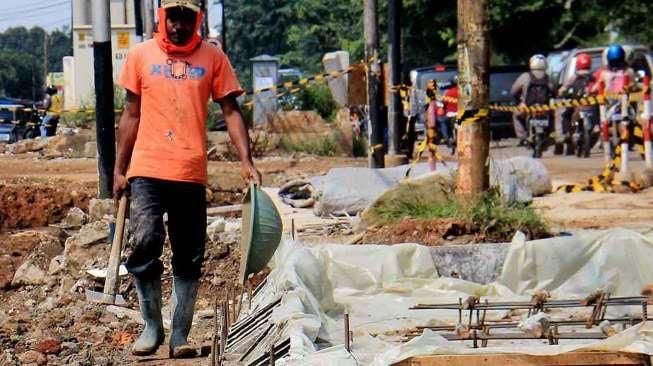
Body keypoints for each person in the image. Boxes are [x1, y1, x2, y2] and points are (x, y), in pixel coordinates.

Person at [113, 0, 261, 359]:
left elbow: (231, 110)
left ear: (198, 19)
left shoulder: (212, 57)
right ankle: (151, 327)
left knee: (189, 253)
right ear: (162, 18)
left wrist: (247, 161)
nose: (179, 25)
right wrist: (119, 169)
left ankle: (179, 334)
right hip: (147, 168)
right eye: (173, 17)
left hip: (190, 171)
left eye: (187, 18)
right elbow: (131, 114)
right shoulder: (140, 55)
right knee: (145, 240)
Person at [591, 44, 636, 160]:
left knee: (632, 118)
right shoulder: (608, 73)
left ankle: (599, 126)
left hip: (621, 103)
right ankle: (598, 125)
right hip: (612, 104)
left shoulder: (626, 72)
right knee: (597, 106)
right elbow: (596, 87)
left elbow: (633, 85)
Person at [557, 53, 598, 156]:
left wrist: (561, 92)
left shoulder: (575, 76)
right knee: (598, 121)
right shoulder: (593, 76)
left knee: (565, 115)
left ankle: (567, 133)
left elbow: (563, 89)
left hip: (577, 104)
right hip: (591, 104)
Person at [510, 54, 553, 146]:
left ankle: (523, 137)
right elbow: (554, 91)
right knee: (553, 117)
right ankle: (550, 135)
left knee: (516, 115)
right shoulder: (548, 77)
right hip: (544, 108)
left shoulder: (525, 76)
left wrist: (520, 103)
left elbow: (513, 91)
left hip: (527, 107)